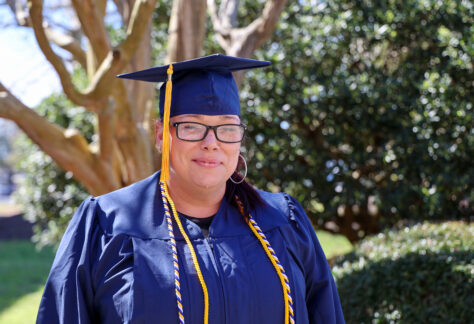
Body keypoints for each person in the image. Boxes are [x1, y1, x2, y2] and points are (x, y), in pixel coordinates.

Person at [36, 54, 345, 324]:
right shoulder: (106, 224)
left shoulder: (282, 221)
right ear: (161, 135)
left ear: (239, 138)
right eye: (191, 127)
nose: (211, 142)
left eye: (227, 128)